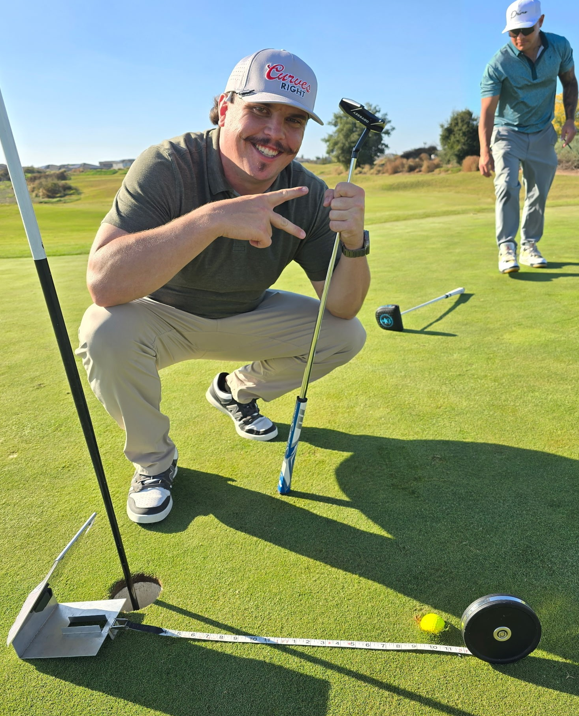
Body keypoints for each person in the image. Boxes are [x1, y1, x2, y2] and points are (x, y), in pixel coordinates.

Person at [76, 49, 371, 525]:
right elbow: (104, 284)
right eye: (260, 110)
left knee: (346, 334)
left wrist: (355, 242)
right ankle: (155, 463)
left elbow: (342, 306)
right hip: (160, 316)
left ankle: (235, 391)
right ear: (224, 106)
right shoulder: (168, 164)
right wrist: (213, 219)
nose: (275, 134)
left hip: (245, 315)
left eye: (294, 120)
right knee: (103, 327)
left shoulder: (308, 193)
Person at [478, 0, 577, 273]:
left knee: (538, 193)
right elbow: (487, 111)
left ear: (540, 22)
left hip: (543, 131)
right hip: (507, 132)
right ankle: (507, 248)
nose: (519, 37)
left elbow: (569, 81)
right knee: (508, 185)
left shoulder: (560, 47)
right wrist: (485, 151)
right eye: (513, 32)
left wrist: (569, 119)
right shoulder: (499, 63)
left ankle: (530, 245)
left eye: (525, 30)